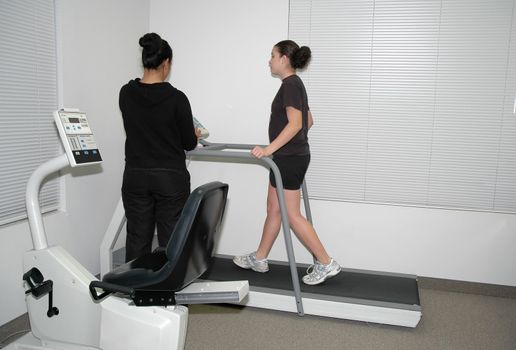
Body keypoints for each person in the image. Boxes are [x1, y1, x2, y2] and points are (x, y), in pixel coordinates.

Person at [233, 40, 341, 285]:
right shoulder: (293, 85)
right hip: (288, 157)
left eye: (272, 55)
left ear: (283, 59)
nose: (269, 60)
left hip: (289, 160)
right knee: (274, 208)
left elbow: (296, 124)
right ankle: (260, 258)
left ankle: (326, 262)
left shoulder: (291, 85)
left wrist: (269, 149)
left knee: (291, 215)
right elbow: (309, 121)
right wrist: (288, 146)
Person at [119, 33, 201, 262]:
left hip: (135, 176)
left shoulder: (125, 93)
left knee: (137, 238)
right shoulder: (177, 99)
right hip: (169, 179)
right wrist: (192, 134)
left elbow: (141, 126)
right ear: (166, 63)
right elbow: (188, 142)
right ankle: (167, 293)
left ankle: (134, 291)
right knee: (171, 240)